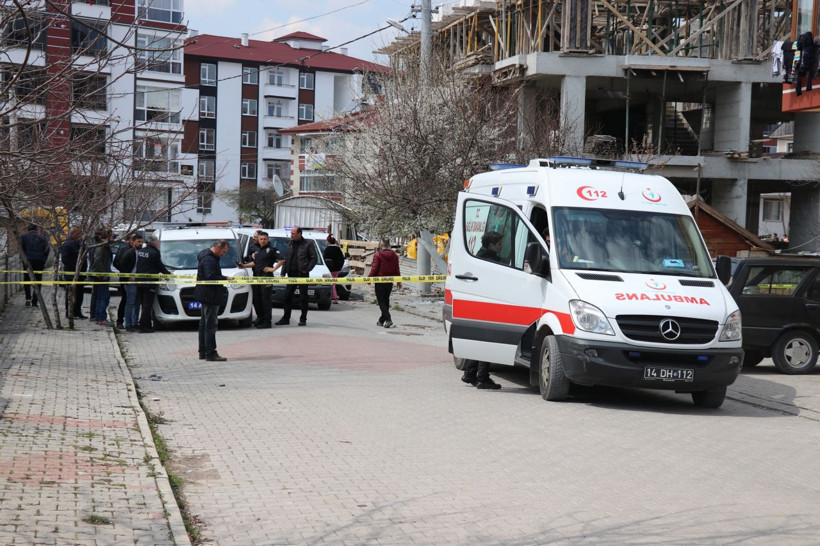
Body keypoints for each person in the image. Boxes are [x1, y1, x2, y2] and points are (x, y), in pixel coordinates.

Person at [195, 240, 232, 361]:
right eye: (223, 251)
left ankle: (203, 352)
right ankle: (210, 353)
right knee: (210, 325)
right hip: (210, 295)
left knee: (204, 324)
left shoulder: (207, 256)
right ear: (217, 248)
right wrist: (225, 278)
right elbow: (210, 277)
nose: (224, 254)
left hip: (206, 294)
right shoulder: (209, 259)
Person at [275, 226, 317, 327]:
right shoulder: (290, 243)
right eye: (291, 233)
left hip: (302, 274)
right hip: (291, 274)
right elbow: (286, 259)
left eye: (293, 233)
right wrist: (283, 272)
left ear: (299, 234)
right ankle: (286, 318)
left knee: (303, 297)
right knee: (287, 296)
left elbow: (314, 258)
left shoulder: (308, 243)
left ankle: (303, 319)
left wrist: (307, 269)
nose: (291, 235)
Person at [239, 231, 280, 328]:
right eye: (261, 239)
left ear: (268, 239)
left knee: (265, 300)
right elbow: (255, 263)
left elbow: (282, 260)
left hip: (266, 277)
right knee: (257, 300)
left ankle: (267, 322)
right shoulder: (258, 250)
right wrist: (244, 266)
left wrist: (273, 269)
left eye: (265, 239)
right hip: (256, 277)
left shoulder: (271, 249)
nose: (263, 241)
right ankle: (260, 318)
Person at [135, 233, 170, 333]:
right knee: (148, 305)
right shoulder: (155, 253)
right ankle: (144, 326)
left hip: (140, 281)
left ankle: (146, 324)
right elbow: (159, 266)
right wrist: (168, 274)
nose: (158, 243)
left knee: (144, 304)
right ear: (153, 242)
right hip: (149, 282)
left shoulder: (141, 251)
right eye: (157, 241)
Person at [368, 237, 402, 328]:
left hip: (380, 281)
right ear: (388, 244)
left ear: (381, 244)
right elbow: (397, 269)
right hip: (389, 281)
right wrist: (399, 281)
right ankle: (381, 320)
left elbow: (374, 268)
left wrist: (369, 278)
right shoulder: (394, 255)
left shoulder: (378, 255)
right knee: (386, 300)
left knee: (381, 301)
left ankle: (388, 319)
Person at [116, 233, 143, 332]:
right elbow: (121, 265)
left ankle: (135, 323)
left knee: (137, 303)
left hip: (138, 281)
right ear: (133, 242)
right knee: (130, 302)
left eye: (142, 242)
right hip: (130, 282)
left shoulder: (141, 253)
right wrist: (127, 277)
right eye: (138, 242)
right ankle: (128, 324)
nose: (140, 244)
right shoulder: (129, 253)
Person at [20, 224, 50, 308]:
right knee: (37, 281)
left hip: (28, 261)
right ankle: (35, 302)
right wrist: (43, 260)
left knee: (27, 280)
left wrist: (24, 260)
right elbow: (47, 249)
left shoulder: (23, 237)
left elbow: (21, 249)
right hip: (39, 261)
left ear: (28, 229)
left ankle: (28, 298)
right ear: (36, 229)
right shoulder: (42, 238)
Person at [60, 226, 87, 319]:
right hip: (71, 274)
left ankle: (77, 312)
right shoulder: (68, 245)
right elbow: (65, 259)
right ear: (74, 234)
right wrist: (75, 267)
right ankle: (69, 312)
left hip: (80, 274)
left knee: (79, 294)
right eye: (80, 234)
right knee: (71, 294)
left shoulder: (81, 244)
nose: (81, 236)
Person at [89, 228, 113, 326]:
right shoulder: (101, 246)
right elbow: (98, 260)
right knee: (104, 297)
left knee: (99, 296)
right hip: (101, 276)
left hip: (99, 274)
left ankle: (97, 316)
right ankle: (101, 318)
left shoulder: (102, 245)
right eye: (111, 236)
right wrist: (103, 274)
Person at [323, 235, 345, 304]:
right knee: (334, 283)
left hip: (329, 269)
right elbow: (342, 259)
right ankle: (334, 296)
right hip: (337, 270)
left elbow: (324, 259)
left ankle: (334, 297)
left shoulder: (327, 249)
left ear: (328, 242)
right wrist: (339, 267)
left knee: (332, 284)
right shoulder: (338, 249)